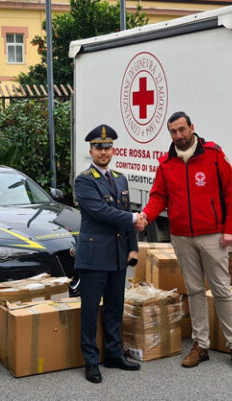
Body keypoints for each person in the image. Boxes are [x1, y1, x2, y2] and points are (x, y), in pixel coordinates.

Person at [139, 111, 232, 372]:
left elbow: (231, 194)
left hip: (213, 234)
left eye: (182, 130)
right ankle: (201, 344)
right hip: (182, 236)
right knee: (195, 291)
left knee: (221, 290)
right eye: (173, 132)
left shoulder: (214, 155)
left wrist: (230, 229)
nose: (178, 136)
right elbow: (158, 197)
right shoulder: (166, 163)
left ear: (192, 128)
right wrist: (145, 216)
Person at [74, 124, 144, 383]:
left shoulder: (119, 178)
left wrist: (133, 247)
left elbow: (124, 216)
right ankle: (91, 361)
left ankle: (113, 355)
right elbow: (102, 213)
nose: (104, 152)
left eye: (107, 147)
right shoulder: (84, 180)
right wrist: (135, 217)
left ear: (113, 149)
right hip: (94, 257)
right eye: (98, 147)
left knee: (114, 308)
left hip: (116, 255)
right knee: (90, 310)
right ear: (90, 151)